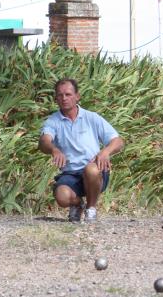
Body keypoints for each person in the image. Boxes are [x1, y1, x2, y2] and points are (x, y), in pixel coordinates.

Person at [38, 78, 124, 223]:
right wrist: (54, 150)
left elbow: (118, 141)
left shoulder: (92, 118)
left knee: (91, 169)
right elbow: (43, 141)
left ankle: (91, 210)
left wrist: (105, 152)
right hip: (70, 174)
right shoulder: (53, 121)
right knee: (61, 197)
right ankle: (78, 205)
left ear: (77, 96)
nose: (64, 98)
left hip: (94, 172)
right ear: (56, 99)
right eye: (60, 95)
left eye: (68, 94)